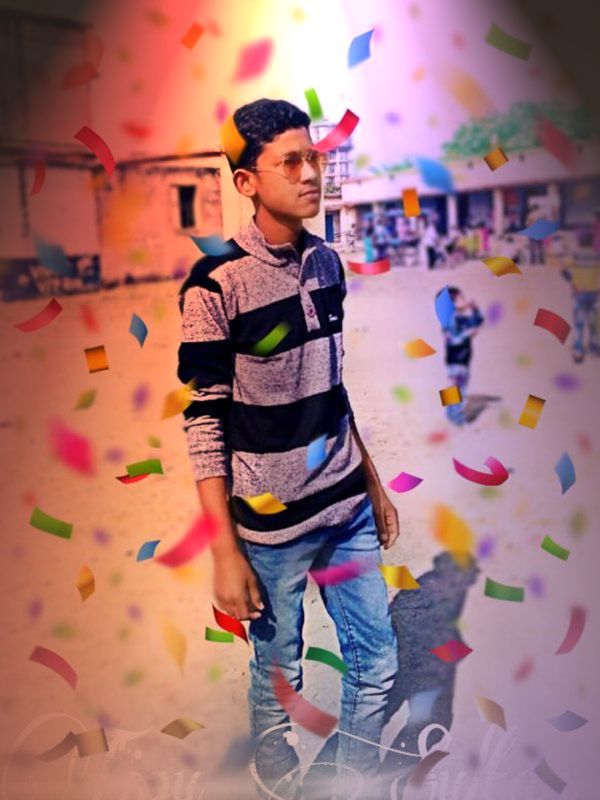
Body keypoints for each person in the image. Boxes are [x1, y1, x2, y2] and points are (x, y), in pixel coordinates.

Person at [176, 99, 399, 800]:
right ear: (246, 182)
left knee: (379, 665)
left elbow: (331, 384)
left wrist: (372, 485)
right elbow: (204, 421)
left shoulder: (329, 264)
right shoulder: (214, 283)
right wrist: (224, 551)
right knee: (279, 670)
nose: (310, 174)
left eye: (314, 158)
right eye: (290, 162)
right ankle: (273, 761)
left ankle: (339, 781)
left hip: (346, 508)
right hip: (271, 528)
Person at [437, 286, 484, 426]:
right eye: (461, 299)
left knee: (455, 386)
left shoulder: (461, 319)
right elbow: (452, 340)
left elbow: (478, 321)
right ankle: (456, 416)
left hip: (462, 360)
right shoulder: (448, 322)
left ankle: (451, 413)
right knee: (458, 388)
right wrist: (467, 335)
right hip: (456, 360)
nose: (464, 301)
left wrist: (475, 309)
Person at [561, 228, 600, 363]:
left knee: (579, 322)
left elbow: (563, 270)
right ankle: (594, 348)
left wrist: (572, 282)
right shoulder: (597, 255)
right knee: (594, 321)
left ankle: (578, 349)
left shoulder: (575, 255)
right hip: (594, 293)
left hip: (579, 292)